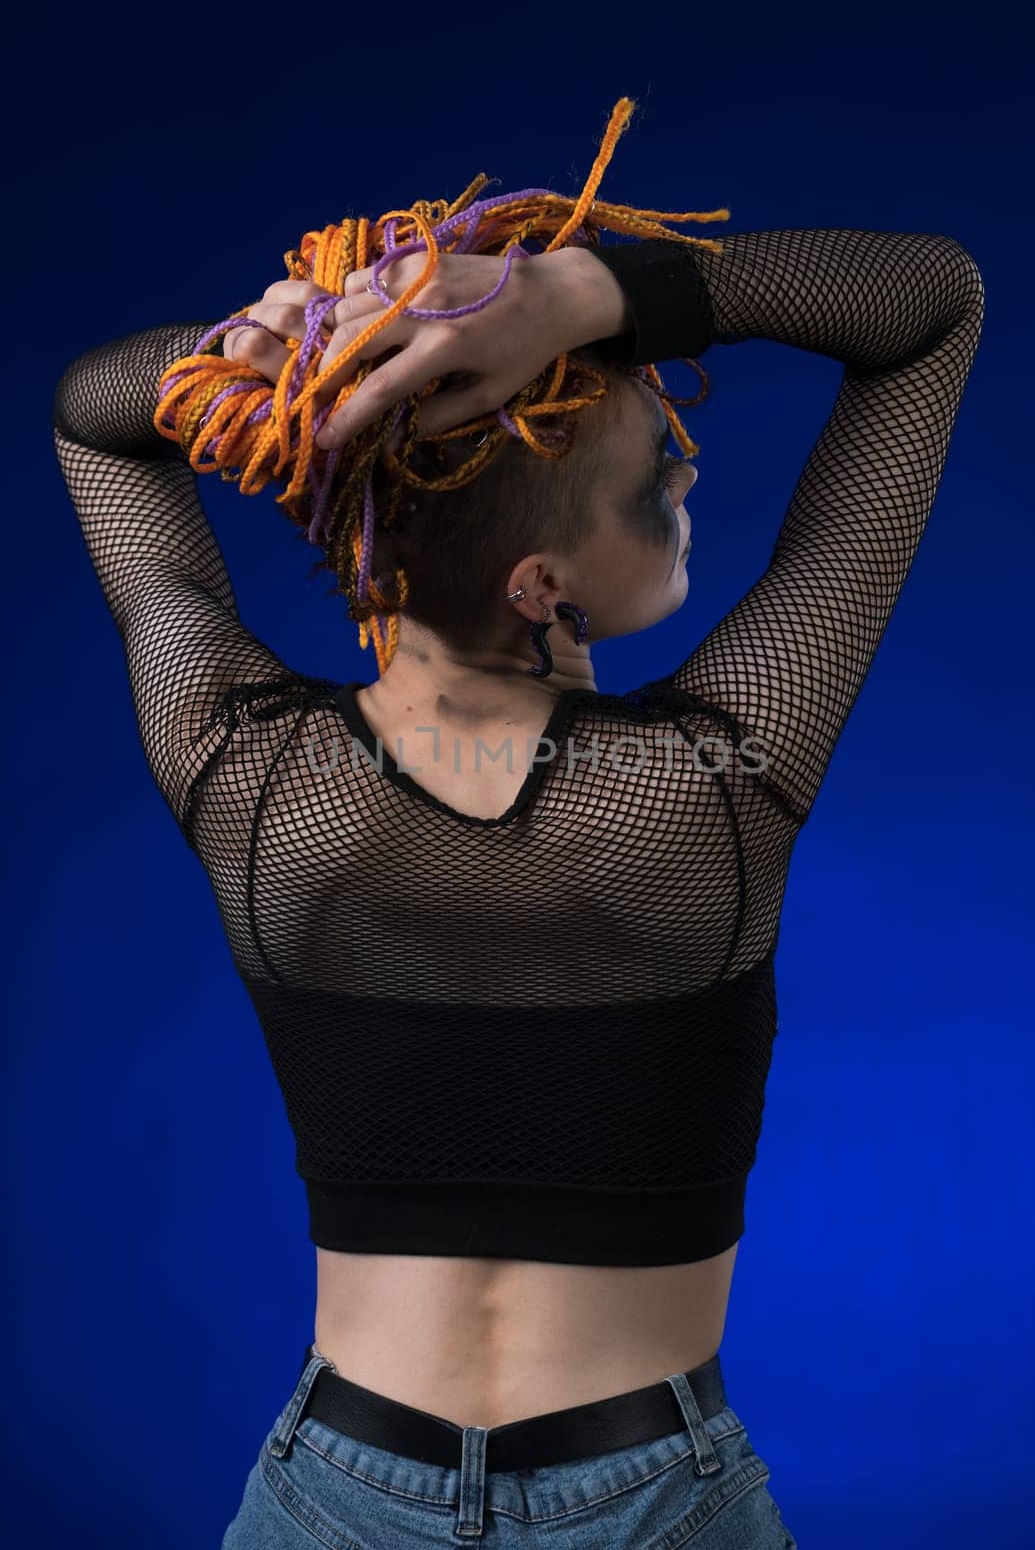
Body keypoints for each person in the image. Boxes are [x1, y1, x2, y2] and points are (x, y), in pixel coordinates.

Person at [53, 152, 983, 1544]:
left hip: (333, 1493)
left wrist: (290, 344)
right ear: (540, 585)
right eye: (654, 479)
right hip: (653, 1497)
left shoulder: (247, 777)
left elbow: (94, 418)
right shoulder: (713, 790)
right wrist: (587, 294)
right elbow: (929, 306)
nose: (690, 472)